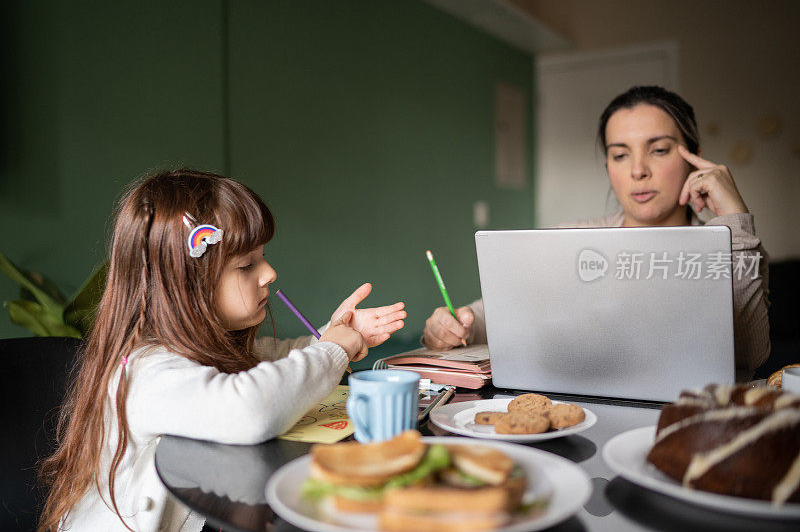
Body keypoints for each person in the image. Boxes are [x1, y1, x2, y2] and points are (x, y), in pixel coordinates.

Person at [37, 169, 407, 531]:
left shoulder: (199, 351)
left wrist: (334, 335)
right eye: (247, 265)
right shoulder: (146, 371)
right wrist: (330, 353)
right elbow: (250, 408)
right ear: (185, 287)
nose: (269, 273)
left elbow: (273, 359)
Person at [423, 86, 770, 381]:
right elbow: (498, 313)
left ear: (694, 157)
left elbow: (749, 357)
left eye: (659, 150)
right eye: (620, 155)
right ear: (608, 166)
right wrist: (453, 326)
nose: (637, 170)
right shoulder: (570, 241)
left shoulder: (736, 247)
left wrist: (735, 219)